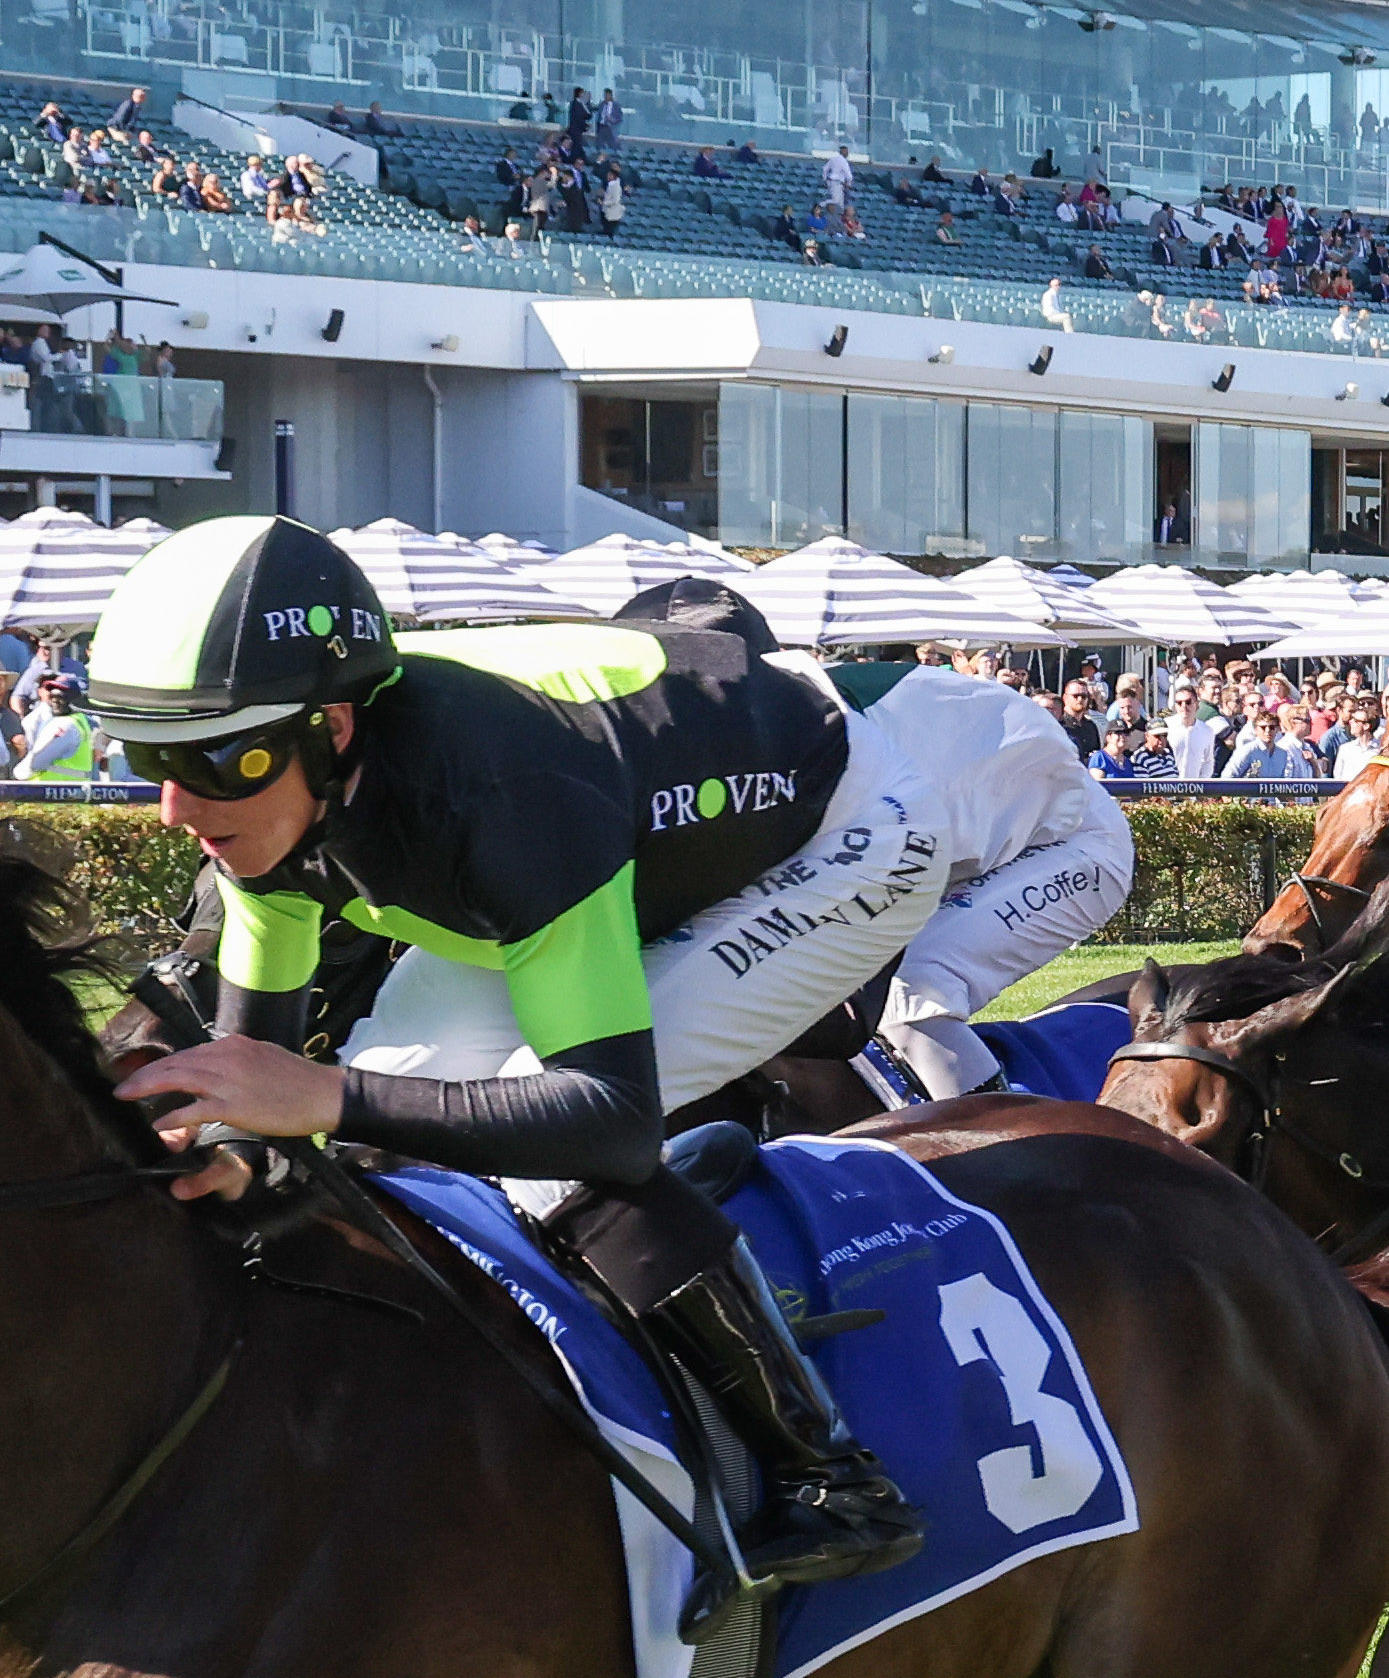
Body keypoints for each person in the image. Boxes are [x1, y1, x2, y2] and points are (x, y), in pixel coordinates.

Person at [81, 517, 927, 1584]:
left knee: (551, 1136)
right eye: (147, 755)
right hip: (605, 832)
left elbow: (608, 1119)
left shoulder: (497, 790)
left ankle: (833, 1476)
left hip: (837, 827)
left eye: (214, 758)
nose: (175, 806)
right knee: (406, 1104)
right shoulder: (276, 798)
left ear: (331, 728)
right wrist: (244, 1143)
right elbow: (262, 1088)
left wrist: (323, 1095)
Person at [822, 654, 1136, 1101]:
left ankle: (1010, 1159)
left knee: (913, 994)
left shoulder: (838, 727)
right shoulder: (801, 715)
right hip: (992, 835)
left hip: (1073, 842)